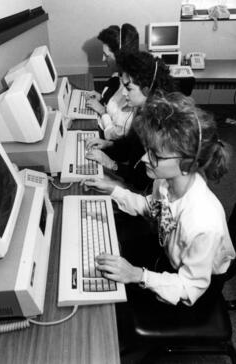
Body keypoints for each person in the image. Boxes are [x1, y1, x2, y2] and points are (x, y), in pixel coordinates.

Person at [82, 91, 235, 307]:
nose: (144, 158)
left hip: (196, 287)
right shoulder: (166, 181)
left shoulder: (202, 222)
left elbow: (190, 287)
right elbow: (152, 207)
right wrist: (113, 190)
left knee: (117, 300)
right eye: (148, 150)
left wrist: (138, 275)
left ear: (187, 164)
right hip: (168, 255)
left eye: (155, 155)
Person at [86, 50, 175, 192]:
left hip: (140, 191)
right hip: (133, 179)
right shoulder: (143, 109)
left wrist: (111, 164)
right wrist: (108, 144)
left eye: (129, 88)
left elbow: (140, 180)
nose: (124, 93)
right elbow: (131, 147)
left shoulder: (156, 126)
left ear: (147, 89)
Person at [85, 24, 139, 140]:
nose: (103, 59)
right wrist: (101, 97)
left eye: (106, 55)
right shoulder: (118, 76)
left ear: (119, 56)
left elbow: (116, 137)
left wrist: (102, 112)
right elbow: (114, 98)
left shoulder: (132, 88)